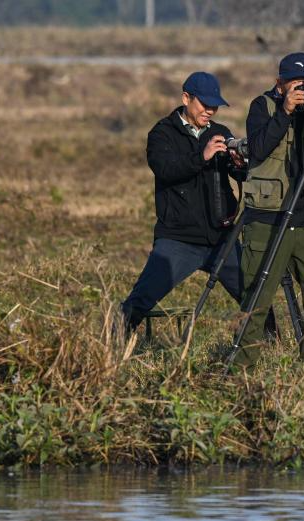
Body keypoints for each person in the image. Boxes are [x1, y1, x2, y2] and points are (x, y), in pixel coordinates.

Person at [234, 52, 304, 367]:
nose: (302, 89)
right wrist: (284, 111)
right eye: (295, 83)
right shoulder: (263, 107)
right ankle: (242, 370)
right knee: (256, 300)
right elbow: (258, 149)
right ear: (279, 83)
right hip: (267, 222)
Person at [120, 71, 247, 334]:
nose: (210, 110)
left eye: (215, 105)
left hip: (222, 238)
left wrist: (240, 165)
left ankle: (270, 345)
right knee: (142, 298)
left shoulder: (221, 132)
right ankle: (111, 343)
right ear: (186, 98)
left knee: (254, 294)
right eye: (205, 104)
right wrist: (203, 155)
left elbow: (238, 175)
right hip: (178, 238)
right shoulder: (162, 133)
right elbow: (166, 170)